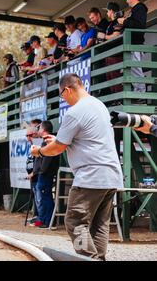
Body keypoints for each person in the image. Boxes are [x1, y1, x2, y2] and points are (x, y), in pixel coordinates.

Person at [31, 73, 123, 260]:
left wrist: (38, 152)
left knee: (74, 222)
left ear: (67, 89)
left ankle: (88, 257)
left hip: (90, 175)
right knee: (99, 225)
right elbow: (86, 139)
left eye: (61, 95)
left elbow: (57, 149)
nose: (63, 99)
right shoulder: (99, 105)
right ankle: (98, 258)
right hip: (111, 175)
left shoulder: (74, 112)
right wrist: (58, 140)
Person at [117, 0, 148, 94]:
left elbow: (140, 25)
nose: (126, 0)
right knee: (131, 70)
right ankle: (138, 93)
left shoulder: (139, 8)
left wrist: (124, 21)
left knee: (135, 69)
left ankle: (141, 93)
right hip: (132, 44)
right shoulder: (135, 10)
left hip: (135, 44)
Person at [32, 121, 59, 229]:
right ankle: (43, 220)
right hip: (43, 174)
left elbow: (48, 158)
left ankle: (48, 222)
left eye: (39, 129)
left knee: (45, 198)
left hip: (45, 175)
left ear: (43, 130)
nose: (37, 131)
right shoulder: (44, 141)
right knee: (42, 198)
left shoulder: (48, 141)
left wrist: (41, 171)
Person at [26, 120, 42, 225]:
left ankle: (41, 218)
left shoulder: (39, 143)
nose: (28, 138)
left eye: (30, 135)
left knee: (39, 197)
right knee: (35, 197)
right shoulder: (31, 145)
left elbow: (39, 161)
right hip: (32, 175)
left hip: (38, 175)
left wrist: (34, 173)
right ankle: (36, 216)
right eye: (27, 135)